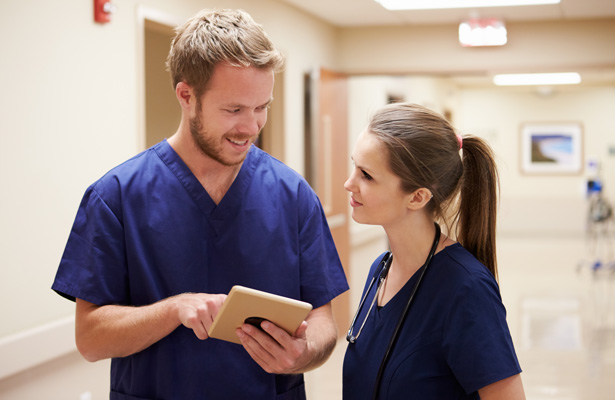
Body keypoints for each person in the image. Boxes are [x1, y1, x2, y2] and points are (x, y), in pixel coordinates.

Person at [52, 9, 348, 400]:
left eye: (262, 107)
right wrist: (174, 309)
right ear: (186, 96)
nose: (252, 127)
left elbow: (323, 320)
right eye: (234, 110)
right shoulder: (116, 197)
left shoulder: (293, 195)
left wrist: (303, 353)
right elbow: (90, 339)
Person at [342, 103, 525, 399]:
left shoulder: (465, 288)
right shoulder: (381, 269)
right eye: (354, 166)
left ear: (417, 197)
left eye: (366, 175)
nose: (349, 183)